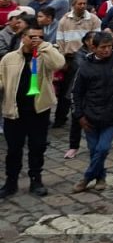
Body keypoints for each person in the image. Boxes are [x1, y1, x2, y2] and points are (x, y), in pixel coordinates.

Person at [0, 21, 65, 198]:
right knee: (13, 150)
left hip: (38, 111)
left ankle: (36, 180)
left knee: (37, 147)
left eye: (40, 37)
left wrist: (44, 46)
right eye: (32, 37)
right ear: (23, 37)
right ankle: (11, 182)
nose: (36, 40)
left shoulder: (45, 55)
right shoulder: (9, 58)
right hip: (14, 112)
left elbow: (59, 63)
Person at [71, 31, 113, 193]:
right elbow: (76, 93)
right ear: (93, 47)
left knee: (103, 148)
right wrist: (79, 115)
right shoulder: (85, 66)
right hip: (90, 116)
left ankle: (86, 178)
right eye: (103, 47)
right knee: (94, 150)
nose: (107, 50)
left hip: (112, 114)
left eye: (109, 46)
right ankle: (100, 177)